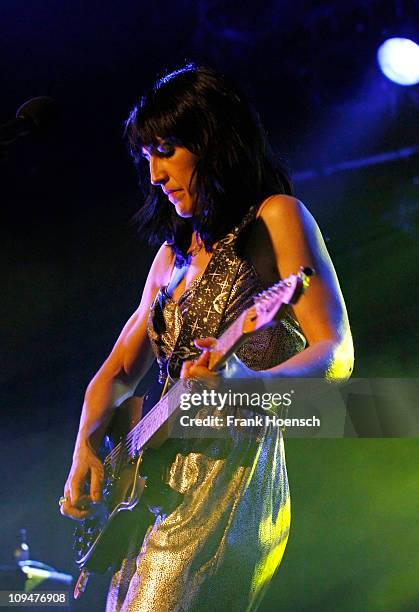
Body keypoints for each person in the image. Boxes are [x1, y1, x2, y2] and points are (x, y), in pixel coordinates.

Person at [60, 63, 353, 611]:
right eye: (146, 156)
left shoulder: (277, 217)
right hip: (147, 497)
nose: (154, 174)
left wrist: (247, 383)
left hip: (228, 485)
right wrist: (85, 447)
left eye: (167, 150)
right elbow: (119, 371)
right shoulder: (170, 258)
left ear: (213, 144)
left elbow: (336, 355)